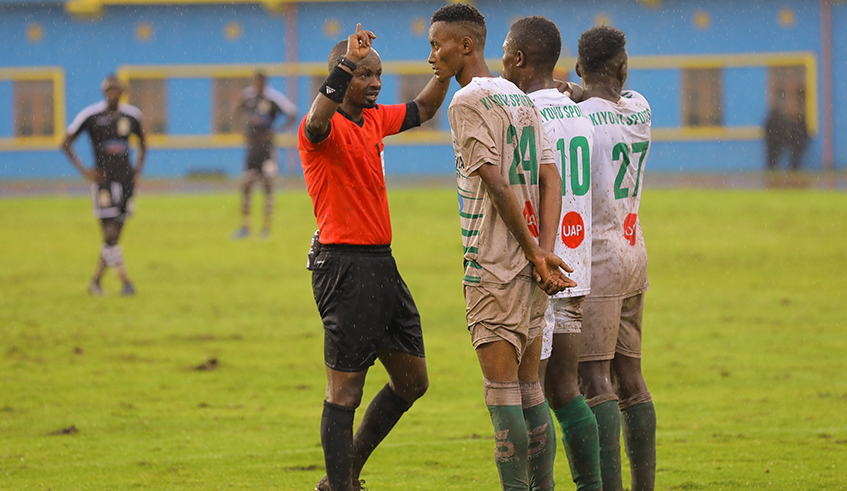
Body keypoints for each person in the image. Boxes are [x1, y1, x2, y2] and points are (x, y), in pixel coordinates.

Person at [429, 4, 575, 490]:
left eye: (437, 45)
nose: (432, 56)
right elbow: (551, 178)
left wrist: (532, 252)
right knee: (531, 388)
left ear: (465, 46)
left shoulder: (466, 103)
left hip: (493, 266)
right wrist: (543, 252)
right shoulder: (522, 100)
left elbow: (493, 181)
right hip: (534, 268)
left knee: (501, 392)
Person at [298, 24, 450, 491]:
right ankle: (341, 486)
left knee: (413, 381)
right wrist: (345, 63)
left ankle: (343, 476)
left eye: (378, 73)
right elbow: (317, 119)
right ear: (343, 79)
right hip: (343, 267)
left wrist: (444, 71)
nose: (376, 82)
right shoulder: (319, 133)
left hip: (381, 265)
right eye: (365, 75)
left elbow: (422, 108)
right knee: (345, 390)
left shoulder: (375, 119)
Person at [502, 16, 603, 491]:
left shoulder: (523, 113)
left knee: (528, 393)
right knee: (566, 389)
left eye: (504, 52)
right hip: (576, 261)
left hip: (539, 266)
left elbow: (520, 186)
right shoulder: (577, 111)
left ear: (519, 59)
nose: (500, 61)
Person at [575, 25, 656, 491]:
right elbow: (603, 95)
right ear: (623, 68)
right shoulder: (640, 109)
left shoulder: (578, 118)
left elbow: (578, 102)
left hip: (597, 256)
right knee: (631, 377)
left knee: (593, 379)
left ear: (581, 67)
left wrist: (572, 89)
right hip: (633, 250)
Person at [61, 75, 146, 297]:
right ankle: (126, 282)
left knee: (115, 236)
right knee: (109, 234)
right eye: (109, 89)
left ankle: (96, 282)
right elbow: (65, 142)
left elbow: (145, 143)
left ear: (123, 91)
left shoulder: (132, 115)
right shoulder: (91, 116)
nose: (113, 93)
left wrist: (137, 171)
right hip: (104, 182)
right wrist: (85, 171)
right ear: (103, 92)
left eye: (117, 89)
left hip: (126, 181)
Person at [231, 70, 298, 239]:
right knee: (246, 185)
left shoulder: (273, 98)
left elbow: (292, 113)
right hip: (252, 149)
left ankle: (266, 228)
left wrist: (276, 130)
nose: (258, 85)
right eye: (256, 82)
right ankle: (245, 226)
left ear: (265, 82)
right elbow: (235, 111)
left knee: (268, 183)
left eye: (260, 82)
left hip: (268, 149)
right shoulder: (248, 97)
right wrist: (241, 129)